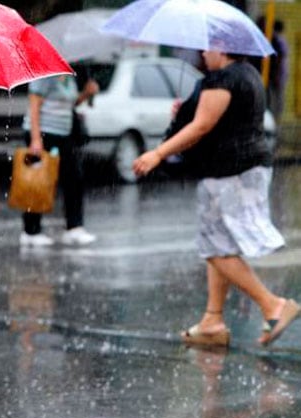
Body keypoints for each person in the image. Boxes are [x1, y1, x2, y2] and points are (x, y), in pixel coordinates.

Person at [132, 48, 298, 347]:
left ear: (222, 46)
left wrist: (158, 152)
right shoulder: (248, 75)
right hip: (248, 167)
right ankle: (213, 320)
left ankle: (272, 304)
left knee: (214, 248)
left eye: (208, 46)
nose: (204, 52)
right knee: (220, 243)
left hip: (228, 171)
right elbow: (219, 118)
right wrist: (188, 110)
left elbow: (202, 126)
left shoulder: (222, 79)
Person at [19, 75, 99, 247]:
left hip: (64, 134)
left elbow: (69, 104)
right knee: (39, 181)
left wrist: (86, 94)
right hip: (44, 134)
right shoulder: (43, 76)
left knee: (74, 179)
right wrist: (35, 138)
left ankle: (74, 227)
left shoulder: (69, 76)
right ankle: (31, 230)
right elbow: (34, 106)